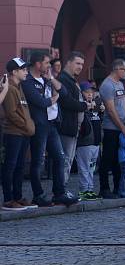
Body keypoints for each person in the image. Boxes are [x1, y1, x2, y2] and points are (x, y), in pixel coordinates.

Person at [22, 52, 77, 207]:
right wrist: (54, 98)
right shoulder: (27, 82)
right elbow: (40, 102)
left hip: (52, 124)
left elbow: (64, 92)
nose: (49, 66)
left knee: (60, 158)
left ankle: (59, 193)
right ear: (38, 64)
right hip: (39, 126)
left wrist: (51, 79)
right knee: (38, 161)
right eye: (47, 63)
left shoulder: (47, 79)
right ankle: (38, 195)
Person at [2, 59, 35, 210]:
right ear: (14, 72)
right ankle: (9, 199)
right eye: (23, 69)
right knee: (11, 166)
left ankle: (18, 196)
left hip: (23, 133)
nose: (26, 72)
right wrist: (26, 126)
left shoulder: (19, 87)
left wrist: (28, 127)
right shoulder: (9, 88)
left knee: (20, 166)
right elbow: (11, 114)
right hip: (14, 133)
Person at [98, 59, 125, 199]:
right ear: (117, 69)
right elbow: (111, 110)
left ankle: (118, 187)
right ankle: (104, 188)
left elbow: (122, 104)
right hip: (111, 128)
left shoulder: (120, 84)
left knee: (119, 159)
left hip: (122, 125)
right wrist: (122, 127)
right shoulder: (107, 85)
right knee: (108, 158)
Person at [56, 51, 89, 186]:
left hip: (73, 127)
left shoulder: (71, 79)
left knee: (68, 161)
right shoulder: (63, 79)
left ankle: (62, 189)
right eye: (77, 63)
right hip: (66, 126)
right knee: (65, 161)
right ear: (68, 62)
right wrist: (84, 105)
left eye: (82, 64)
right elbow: (66, 101)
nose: (80, 67)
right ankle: (60, 191)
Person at [76, 82, 102, 200]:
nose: (90, 95)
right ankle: (83, 190)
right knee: (84, 168)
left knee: (91, 168)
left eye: (92, 92)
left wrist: (101, 111)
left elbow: (98, 121)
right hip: (84, 143)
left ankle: (90, 189)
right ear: (82, 93)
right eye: (87, 92)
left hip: (95, 142)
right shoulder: (81, 106)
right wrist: (86, 108)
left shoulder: (96, 106)